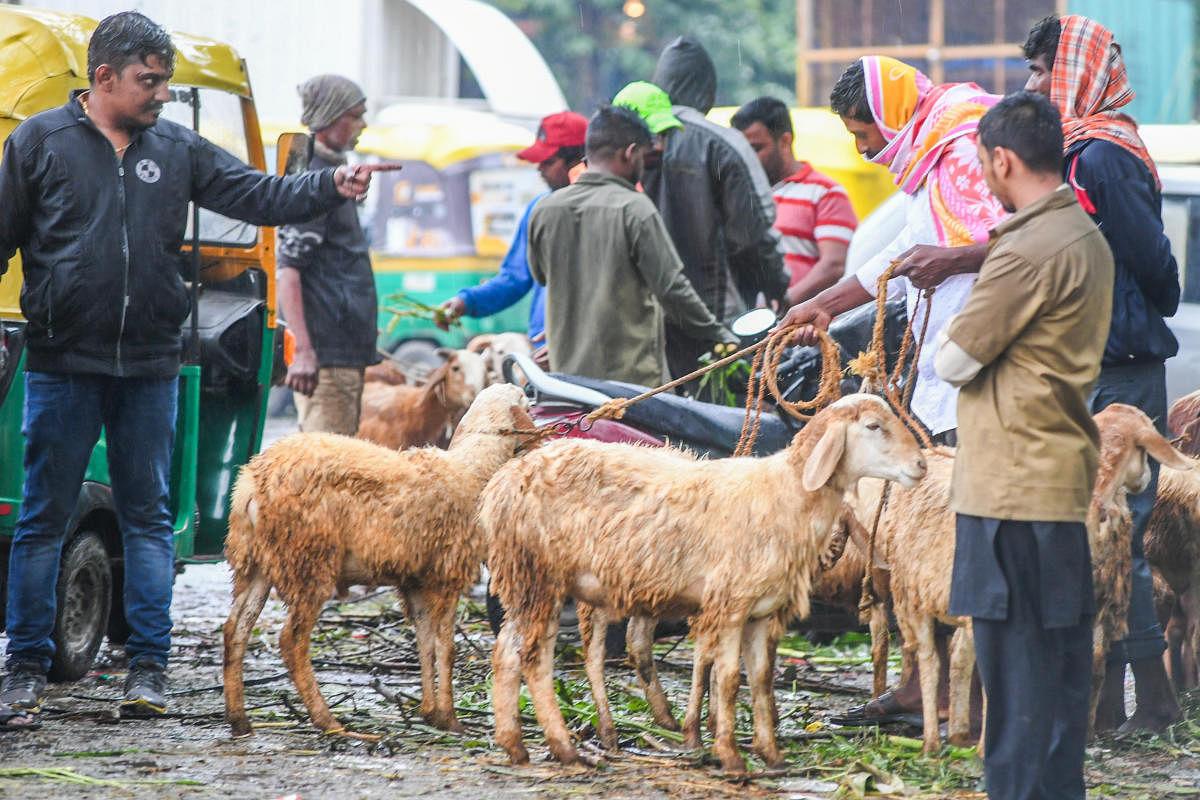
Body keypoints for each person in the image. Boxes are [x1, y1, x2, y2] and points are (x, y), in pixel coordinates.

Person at [0, 11, 376, 723]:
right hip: (60, 363)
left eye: (167, 80)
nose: (163, 94)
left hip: (149, 366)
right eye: (150, 80)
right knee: (43, 520)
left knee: (148, 520)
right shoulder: (39, 142)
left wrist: (333, 186)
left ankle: (149, 671)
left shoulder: (175, 148)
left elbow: (259, 196)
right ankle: (23, 669)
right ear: (103, 77)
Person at [780, 55, 1007, 727]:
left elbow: (1025, 240)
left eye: (865, 134)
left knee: (959, 542)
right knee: (918, 536)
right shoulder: (926, 159)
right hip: (938, 373)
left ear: (893, 113)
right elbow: (903, 258)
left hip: (981, 370)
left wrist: (956, 258)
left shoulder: (965, 146)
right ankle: (919, 683)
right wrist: (824, 304)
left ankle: (959, 695)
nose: (864, 150)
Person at [935, 91, 1113, 800]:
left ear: (1002, 160)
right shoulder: (1084, 235)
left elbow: (954, 361)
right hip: (1060, 485)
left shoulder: (1025, 249)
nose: (982, 176)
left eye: (983, 164)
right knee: (1059, 678)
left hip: (1010, 493)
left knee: (1013, 687)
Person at [1024, 14, 1182, 734]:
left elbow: (1156, 264)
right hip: (1102, 361)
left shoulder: (1101, 158)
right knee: (1103, 530)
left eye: (1040, 73)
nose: (1033, 86)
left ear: (1076, 74)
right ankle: (1116, 702)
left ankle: (1152, 699)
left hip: (1118, 366)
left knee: (1121, 532)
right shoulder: (1084, 150)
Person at [526, 105, 733, 387]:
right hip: (633, 389)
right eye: (643, 159)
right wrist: (720, 334)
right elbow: (672, 290)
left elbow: (541, 275)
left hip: (567, 384)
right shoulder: (634, 208)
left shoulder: (545, 210)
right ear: (630, 152)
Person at [638, 37, 789, 381]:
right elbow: (751, 237)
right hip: (717, 321)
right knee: (718, 420)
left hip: (645, 323)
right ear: (708, 90)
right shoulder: (722, 143)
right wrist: (777, 287)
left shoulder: (627, 142)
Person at [276, 75, 380, 435]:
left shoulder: (332, 176)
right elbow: (288, 269)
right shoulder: (316, 183)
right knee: (328, 478)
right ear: (332, 117)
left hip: (340, 355)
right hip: (326, 360)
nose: (362, 125)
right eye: (356, 115)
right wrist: (304, 351)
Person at [435, 111, 587, 342]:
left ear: (579, 160)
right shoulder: (539, 209)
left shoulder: (610, 210)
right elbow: (515, 277)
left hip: (584, 350)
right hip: (542, 348)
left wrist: (567, 340)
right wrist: (467, 302)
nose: (540, 170)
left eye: (548, 162)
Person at [730, 96, 858, 306]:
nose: (747, 159)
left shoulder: (825, 192)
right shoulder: (740, 195)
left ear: (784, 141)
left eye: (755, 149)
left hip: (809, 331)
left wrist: (785, 304)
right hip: (759, 330)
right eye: (742, 151)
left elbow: (834, 265)